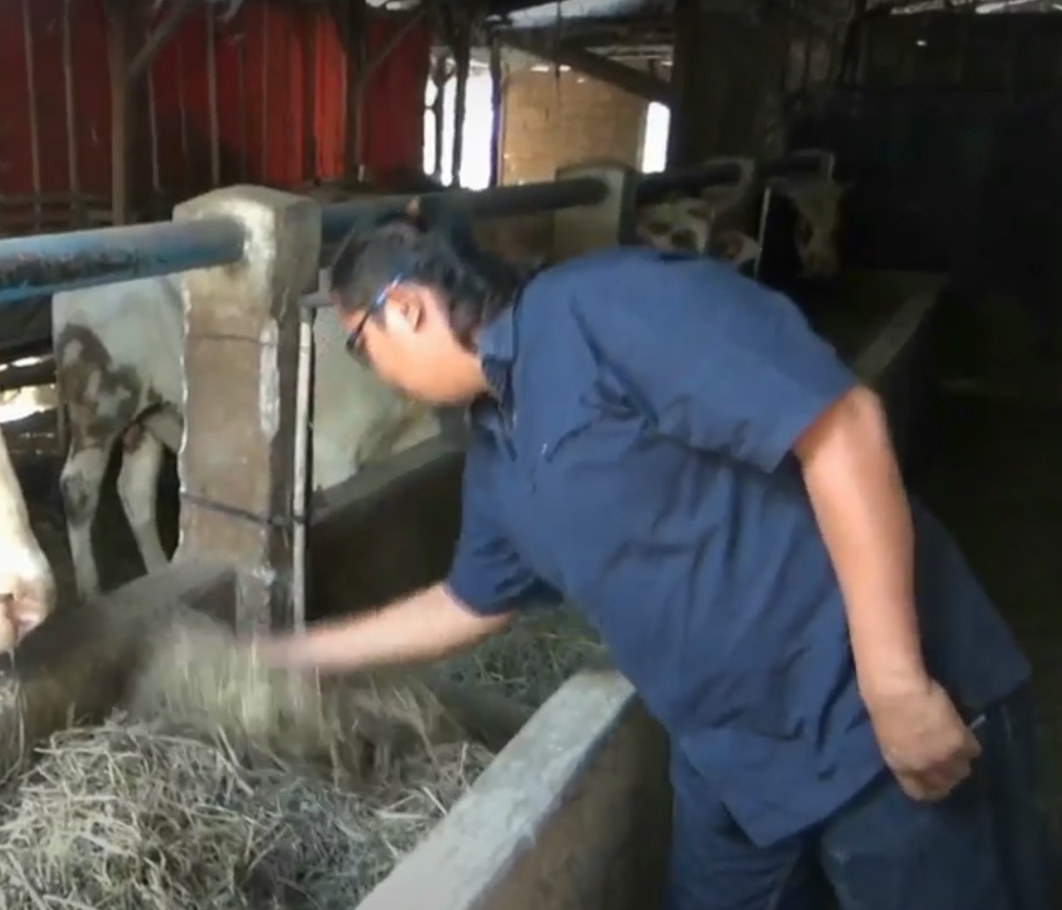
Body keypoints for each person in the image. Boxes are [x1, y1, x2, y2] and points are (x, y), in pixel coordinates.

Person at [257, 202, 1053, 910]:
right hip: (731, 765)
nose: (373, 373)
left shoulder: (604, 308)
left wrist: (894, 683)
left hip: (867, 721)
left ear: (407, 308)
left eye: (358, 344)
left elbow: (841, 428)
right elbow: (465, 605)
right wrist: (292, 656)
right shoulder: (495, 452)